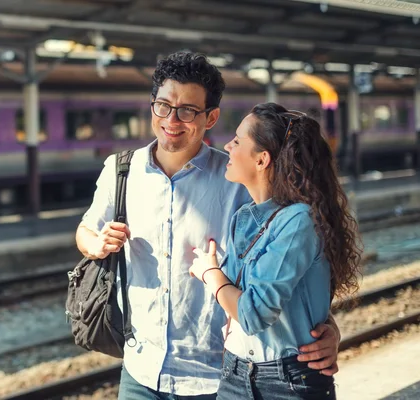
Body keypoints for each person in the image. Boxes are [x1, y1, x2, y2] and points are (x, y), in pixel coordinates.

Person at [75, 52, 341, 400]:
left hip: (218, 376)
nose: (172, 119)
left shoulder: (238, 179)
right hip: (141, 368)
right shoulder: (120, 170)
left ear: (211, 117)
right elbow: (85, 231)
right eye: (163, 106)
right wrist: (95, 245)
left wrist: (326, 326)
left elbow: (291, 259)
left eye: (187, 110)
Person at [189, 103, 362, 399]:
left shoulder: (299, 222)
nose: (228, 145)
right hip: (234, 372)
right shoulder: (243, 216)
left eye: (238, 140)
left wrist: (211, 275)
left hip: (287, 382)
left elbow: (253, 313)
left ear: (262, 160)